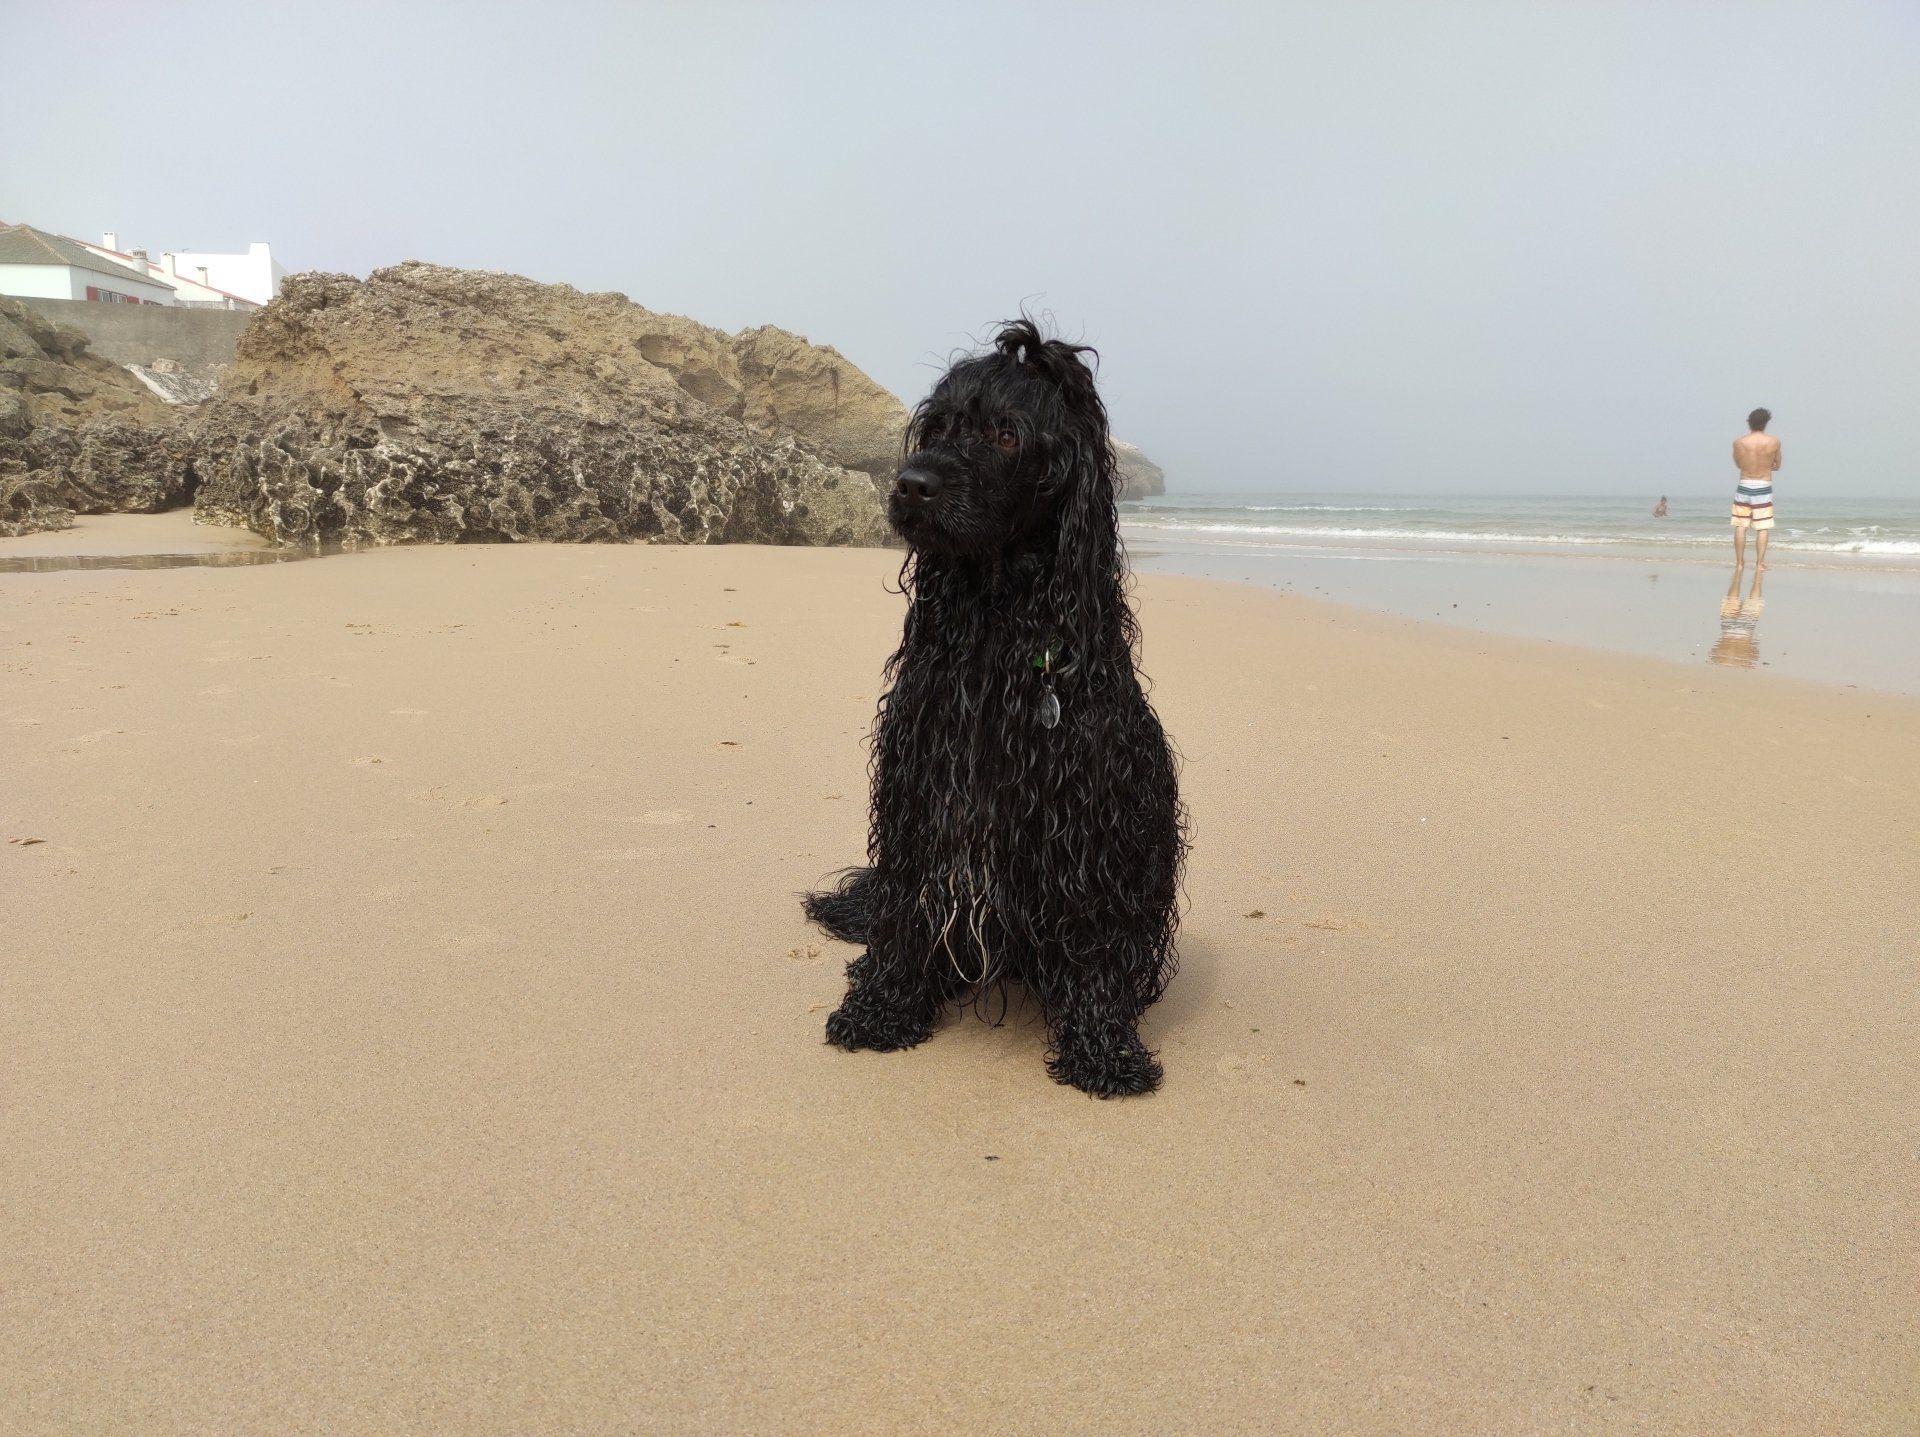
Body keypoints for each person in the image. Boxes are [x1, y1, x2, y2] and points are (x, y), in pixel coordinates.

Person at [1732, 408, 1781, 569]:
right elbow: (1777, 465)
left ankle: (1739, 563)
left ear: (1749, 422)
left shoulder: (1739, 442)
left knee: (1741, 525)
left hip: (1745, 484)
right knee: (1763, 526)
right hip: (1763, 485)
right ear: (1766, 423)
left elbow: (1738, 464)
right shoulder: (1774, 442)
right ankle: (1759, 563)